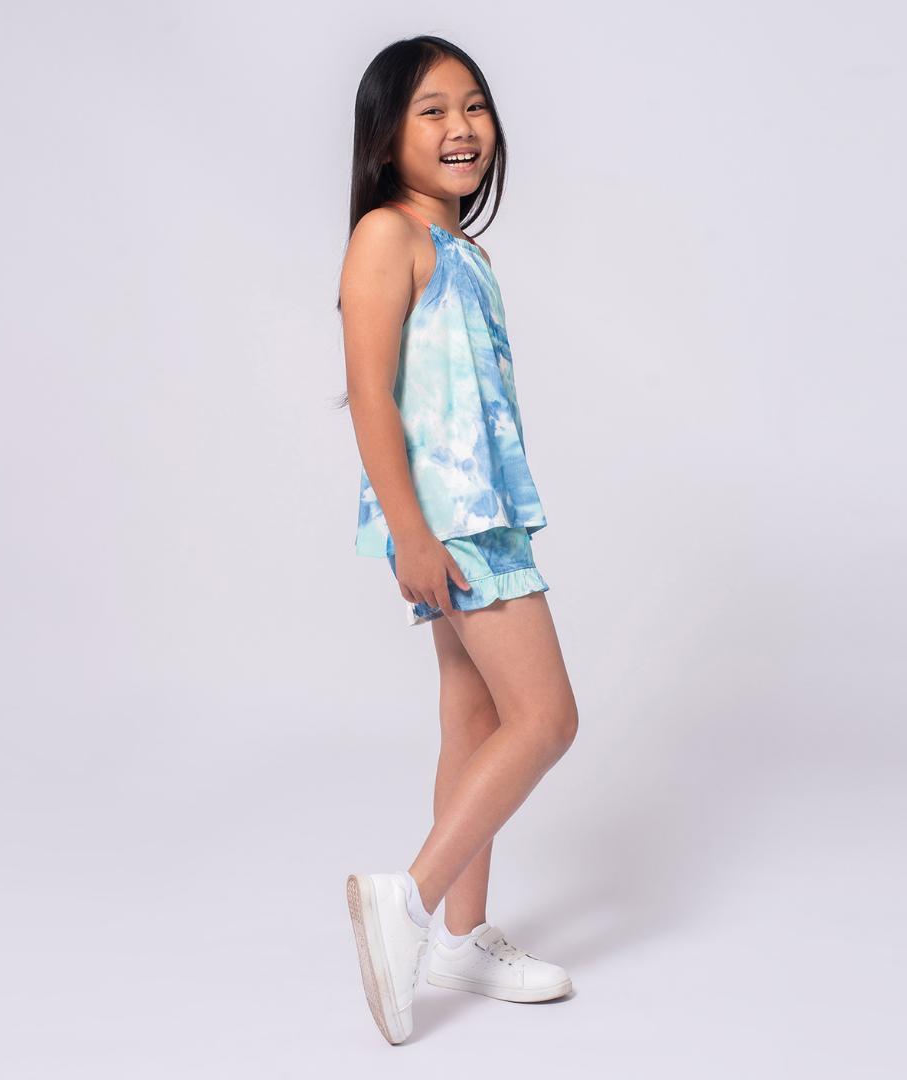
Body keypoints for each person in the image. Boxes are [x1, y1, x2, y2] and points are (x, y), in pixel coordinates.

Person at [336, 35, 579, 1045]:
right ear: (385, 136)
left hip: (486, 510)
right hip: (453, 524)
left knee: (475, 717)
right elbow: (370, 396)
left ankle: (460, 940)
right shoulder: (387, 236)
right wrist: (410, 532)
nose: (461, 127)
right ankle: (409, 901)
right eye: (431, 110)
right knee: (548, 718)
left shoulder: (464, 251)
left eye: (472, 105)